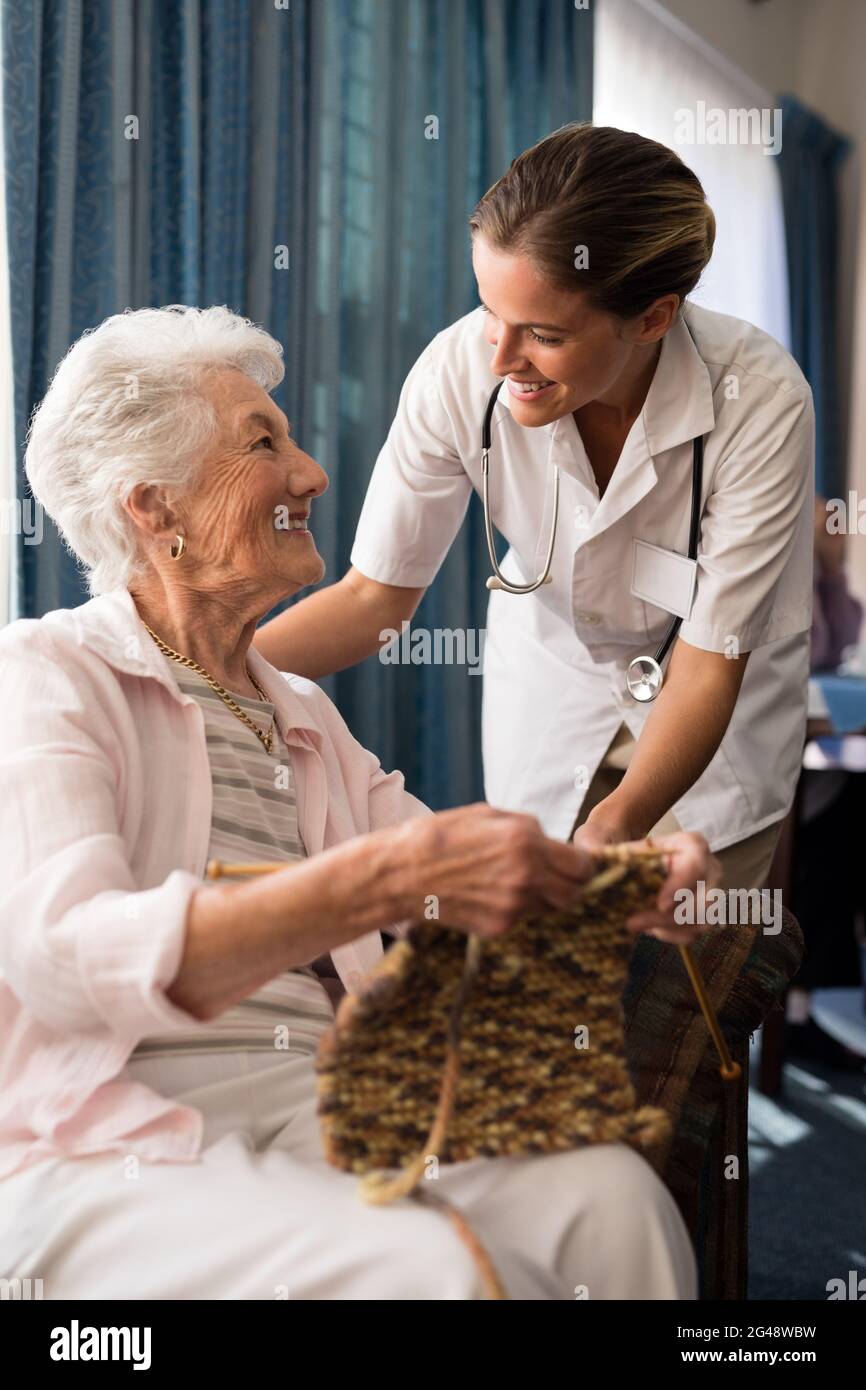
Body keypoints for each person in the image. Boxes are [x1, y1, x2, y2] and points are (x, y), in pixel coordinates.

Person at [0, 305, 718, 1301]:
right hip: (104, 1123)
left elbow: (445, 864)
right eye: (265, 442)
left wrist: (612, 882)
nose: (310, 474)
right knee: (427, 1274)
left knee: (610, 1204)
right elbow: (63, 952)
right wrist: (380, 880)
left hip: (317, 1094)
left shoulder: (298, 711)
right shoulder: (47, 671)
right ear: (154, 509)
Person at [255, 124, 815, 1012]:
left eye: (545, 334)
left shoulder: (760, 398)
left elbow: (709, 661)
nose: (501, 356)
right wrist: (207, 667)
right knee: (545, 996)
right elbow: (372, 600)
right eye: (490, 312)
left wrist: (618, 827)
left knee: (675, 1007)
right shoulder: (456, 373)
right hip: (555, 683)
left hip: (713, 711)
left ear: (653, 317)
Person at [785, 497, 866, 1069]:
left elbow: (841, 645)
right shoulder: (773, 568)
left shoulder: (813, 571)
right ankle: (797, 1012)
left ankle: (811, 1004)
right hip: (765, 773)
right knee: (838, 834)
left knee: (852, 813)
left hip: (812, 769)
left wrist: (832, 570)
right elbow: (810, 655)